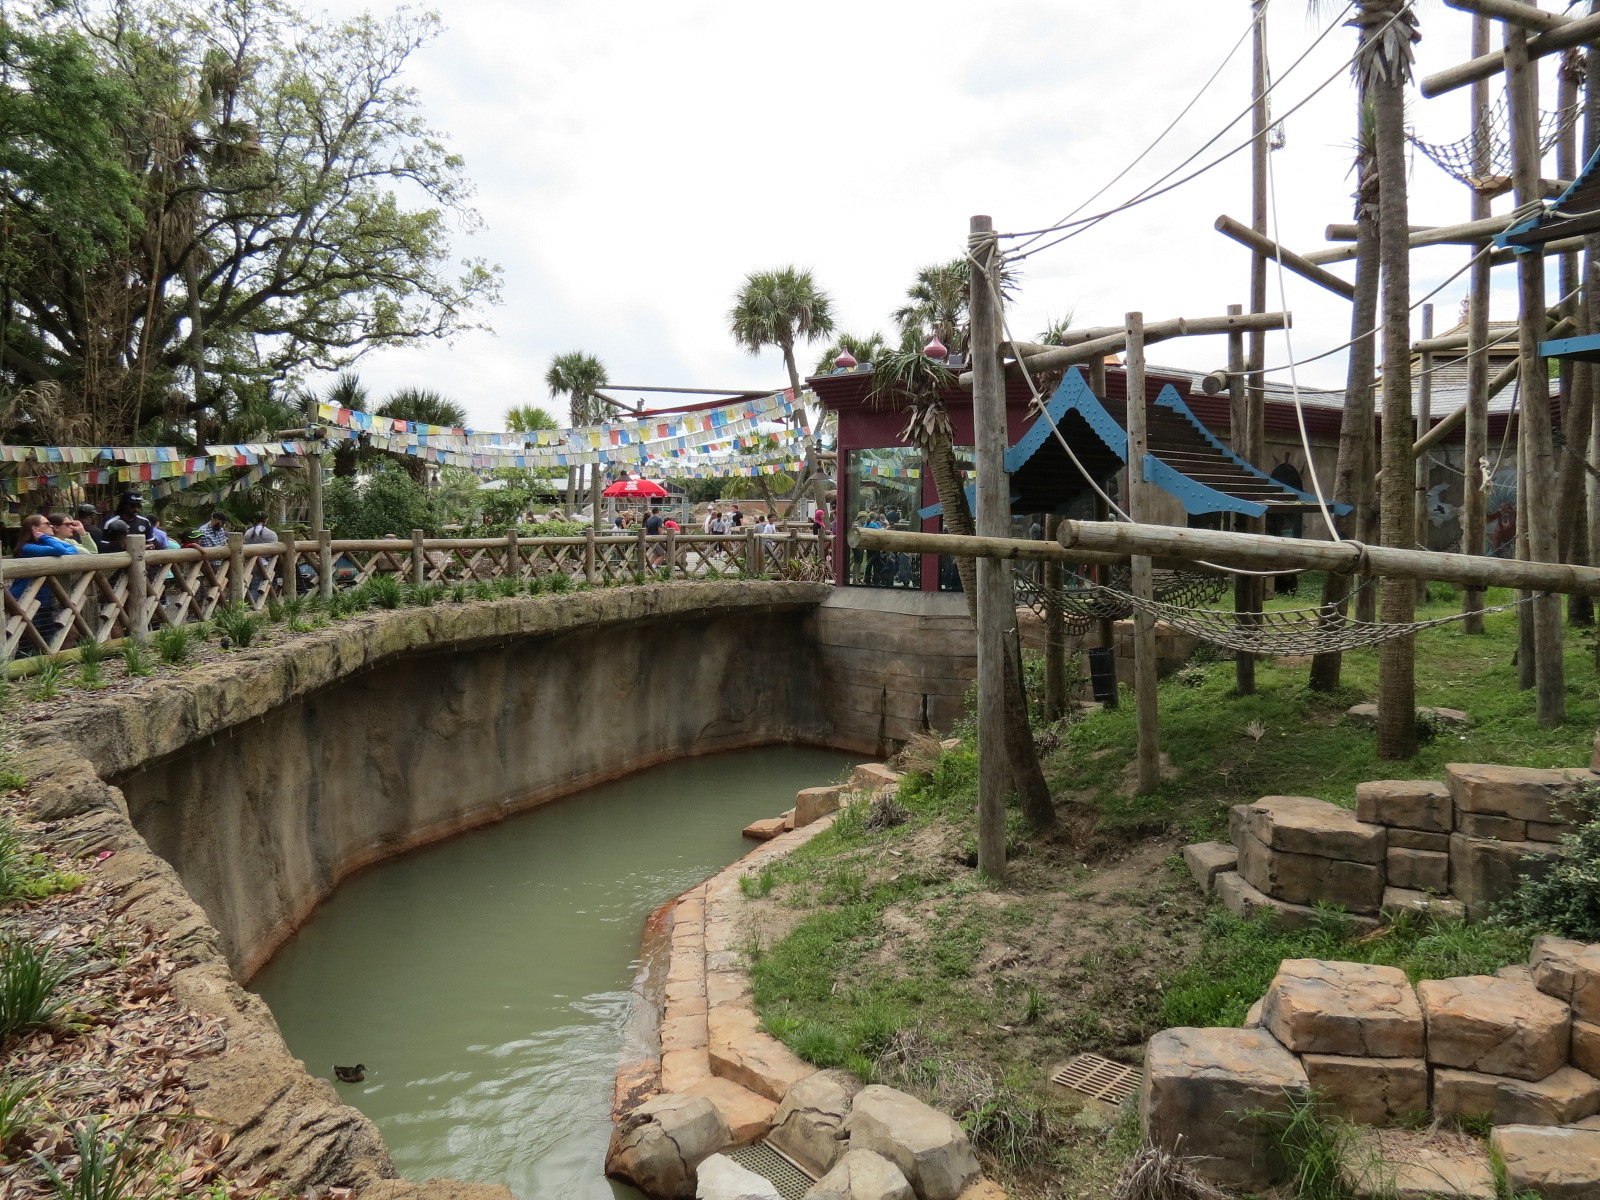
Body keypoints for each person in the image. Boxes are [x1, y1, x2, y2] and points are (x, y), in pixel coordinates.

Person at [11, 514, 79, 647]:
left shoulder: (43, 545)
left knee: (45, 638)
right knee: (29, 640)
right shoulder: (27, 548)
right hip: (25, 599)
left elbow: (72, 550)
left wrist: (45, 538)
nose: (51, 526)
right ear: (34, 529)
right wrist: (44, 537)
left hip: (42, 601)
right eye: (47, 524)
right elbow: (60, 549)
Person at [242, 513, 276, 603]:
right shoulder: (271, 534)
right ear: (266, 520)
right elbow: (275, 550)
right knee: (266, 584)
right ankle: (260, 604)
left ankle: (251, 603)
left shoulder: (248, 533)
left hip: (251, 563)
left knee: (253, 584)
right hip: (267, 563)